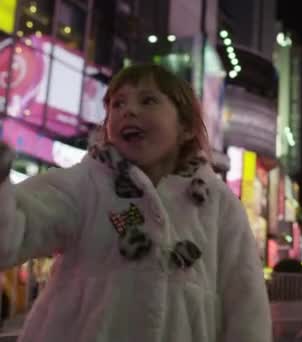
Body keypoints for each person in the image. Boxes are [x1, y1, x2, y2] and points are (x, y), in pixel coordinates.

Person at [0, 64, 271, 342]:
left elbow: (247, 308)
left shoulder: (218, 205)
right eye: (117, 104)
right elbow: (12, 235)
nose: (127, 111)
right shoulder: (85, 184)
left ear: (186, 127)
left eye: (148, 100)